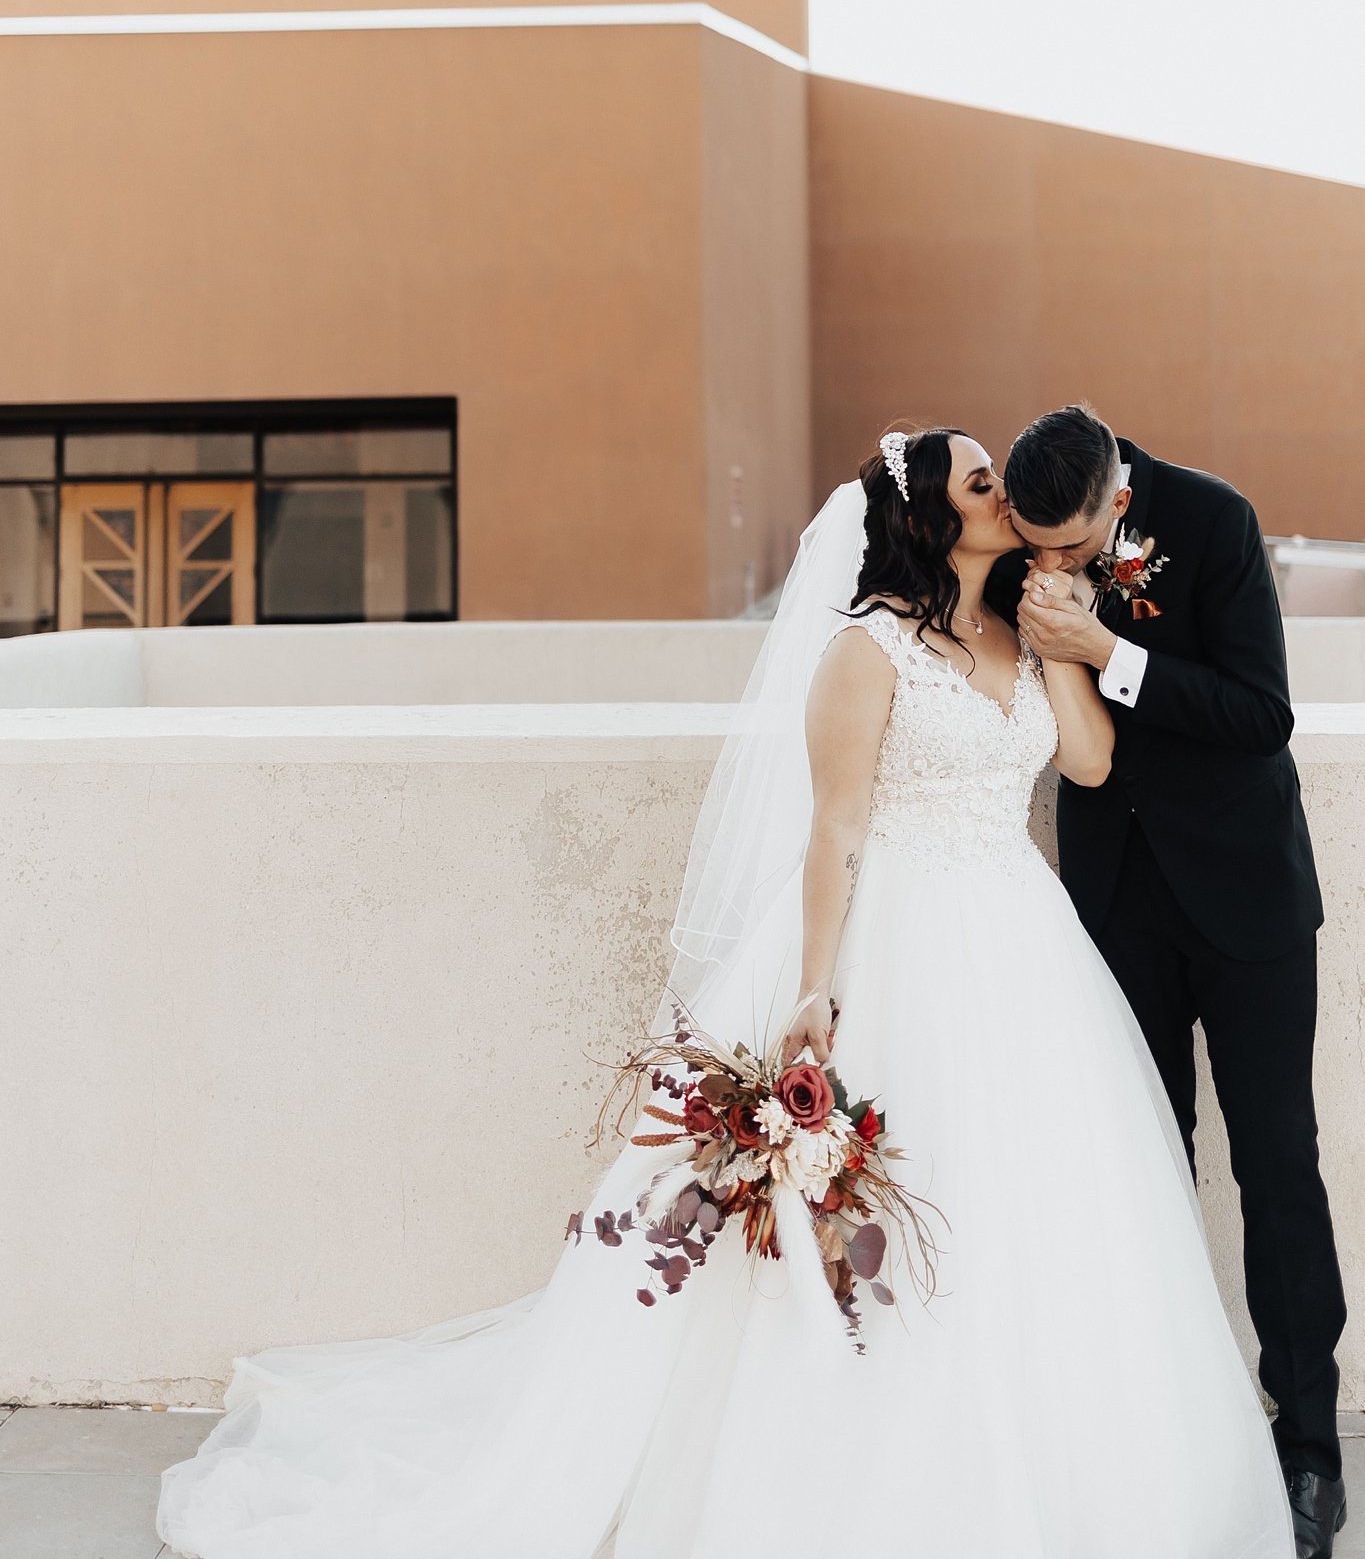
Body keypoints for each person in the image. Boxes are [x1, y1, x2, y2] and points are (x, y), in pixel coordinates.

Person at [158, 426, 1294, 1559]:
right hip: (900, 938)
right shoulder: (866, 651)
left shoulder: (1025, 616)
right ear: (931, 521)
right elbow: (837, 826)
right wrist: (812, 988)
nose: (1006, 496)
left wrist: (1065, 638)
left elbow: (1088, 761)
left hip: (1025, 944)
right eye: (981, 482)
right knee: (897, 1199)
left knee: (1039, 1202)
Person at [995, 403, 1347, 1559]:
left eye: (1069, 544)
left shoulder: (1215, 518)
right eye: (1034, 545)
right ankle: (1165, 1437)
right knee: (1141, 1164)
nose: (1049, 564)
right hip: (1116, 907)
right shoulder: (1025, 544)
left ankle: (1308, 1445)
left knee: (1275, 1164)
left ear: (1116, 491)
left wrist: (1109, 653)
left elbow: (1261, 715)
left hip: (1246, 904)